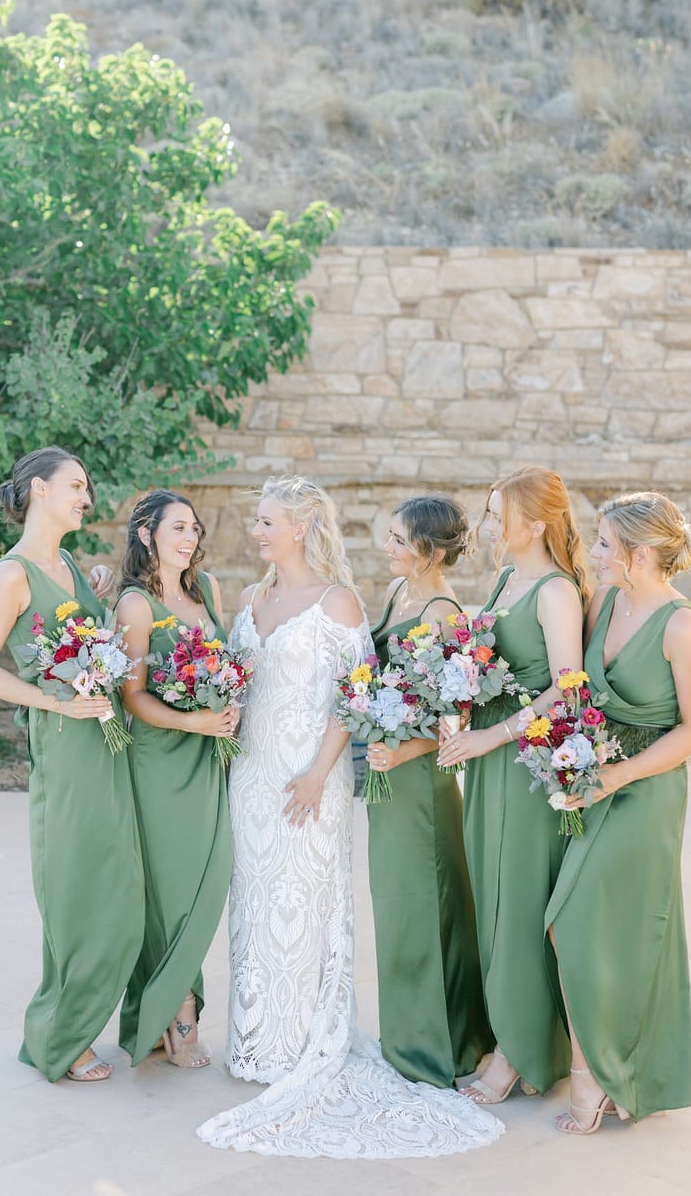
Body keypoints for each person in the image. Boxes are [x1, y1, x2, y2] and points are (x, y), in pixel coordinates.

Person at [196, 475, 503, 1158]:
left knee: (304, 901)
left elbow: (356, 693)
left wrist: (315, 771)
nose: (256, 530)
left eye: (267, 519)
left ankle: (307, 1040)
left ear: (300, 527)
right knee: (253, 902)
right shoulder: (250, 599)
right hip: (251, 772)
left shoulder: (341, 601)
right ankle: (255, 1041)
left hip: (314, 772)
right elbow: (239, 679)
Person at [0, 446, 144, 1082]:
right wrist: (50, 701)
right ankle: (61, 1035)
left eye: (87, 487)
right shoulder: (12, 574)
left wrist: (96, 586)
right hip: (68, 748)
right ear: (38, 489)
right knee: (77, 888)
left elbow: (84, 638)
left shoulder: (66, 562)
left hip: (108, 741)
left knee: (118, 886)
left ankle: (77, 1022)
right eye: (75, 485)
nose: (85, 497)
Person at [545, 491, 691, 1133]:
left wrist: (616, 773)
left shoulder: (681, 626)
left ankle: (596, 1077)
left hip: (647, 788)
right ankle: (609, 1069)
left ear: (639, 554)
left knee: (602, 924)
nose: (593, 553)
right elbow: (581, 690)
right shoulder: (603, 600)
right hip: (593, 776)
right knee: (575, 922)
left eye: (603, 543)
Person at [437, 465, 590, 1103]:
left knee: (519, 900)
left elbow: (567, 687)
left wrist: (492, 737)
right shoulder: (504, 579)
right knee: (492, 896)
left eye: (499, 515)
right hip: (487, 753)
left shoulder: (554, 592)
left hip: (523, 763)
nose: (488, 525)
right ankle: (508, 1034)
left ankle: (517, 1051)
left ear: (534, 524)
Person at [365, 495, 493, 1087]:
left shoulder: (445, 613)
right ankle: (408, 1034)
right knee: (396, 907)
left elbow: (459, 715)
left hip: (421, 778)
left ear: (430, 551)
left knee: (426, 905)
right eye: (388, 536)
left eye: (398, 539)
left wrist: (403, 750)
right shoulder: (397, 595)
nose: (387, 547)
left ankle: (440, 1043)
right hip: (387, 775)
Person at [115, 490, 236, 1069]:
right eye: (177, 529)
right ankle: (178, 1010)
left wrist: (225, 707)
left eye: (194, 528)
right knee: (168, 889)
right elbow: (131, 695)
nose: (189, 539)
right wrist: (195, 718)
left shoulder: (207, 591)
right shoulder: (137, 606)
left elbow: (227, 665)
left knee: (204, 883)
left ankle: (175, 1002)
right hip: (160, 757)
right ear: (147, 535)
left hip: (210, 754)